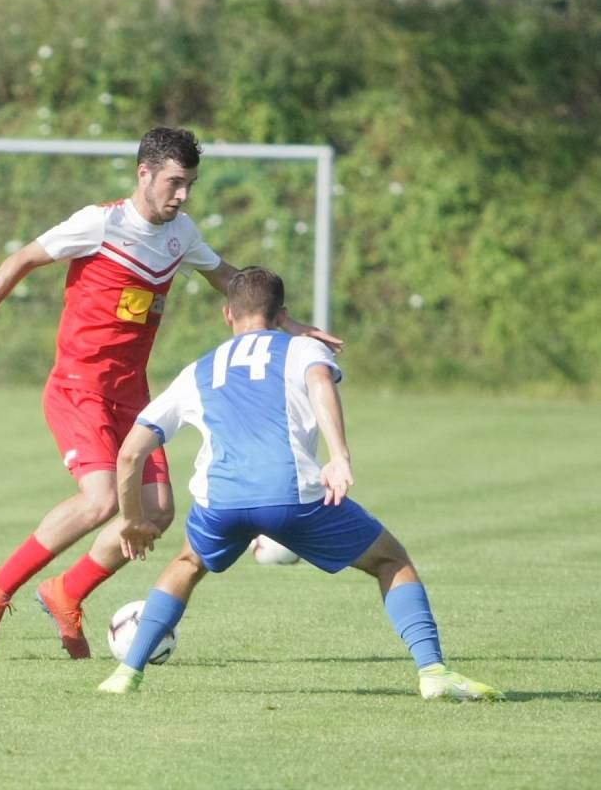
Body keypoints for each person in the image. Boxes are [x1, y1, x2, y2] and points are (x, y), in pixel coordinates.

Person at [0, 128, 341, 659]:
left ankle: (67, 591)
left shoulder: (182, 233)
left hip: (133, 394)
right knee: (104, 500)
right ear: (145, 174)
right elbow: (20, 259)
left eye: (190, 185)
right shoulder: (101, 223)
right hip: (78, 387)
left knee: (154, 512)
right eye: (175, 182)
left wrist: (290, 325)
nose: (182, 195)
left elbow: (228, 279)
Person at [97, 266, 504, 701]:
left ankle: (127, 673)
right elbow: (319, 381)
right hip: (291, 494)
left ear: (227, 314)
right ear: (283, 314)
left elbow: (130, 454)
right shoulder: (301, 349)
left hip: (222, 500)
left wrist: (132, 521)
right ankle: (434, 672)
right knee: (391, 562)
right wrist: (338, 456)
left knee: (186, 564)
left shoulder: (198, 369)